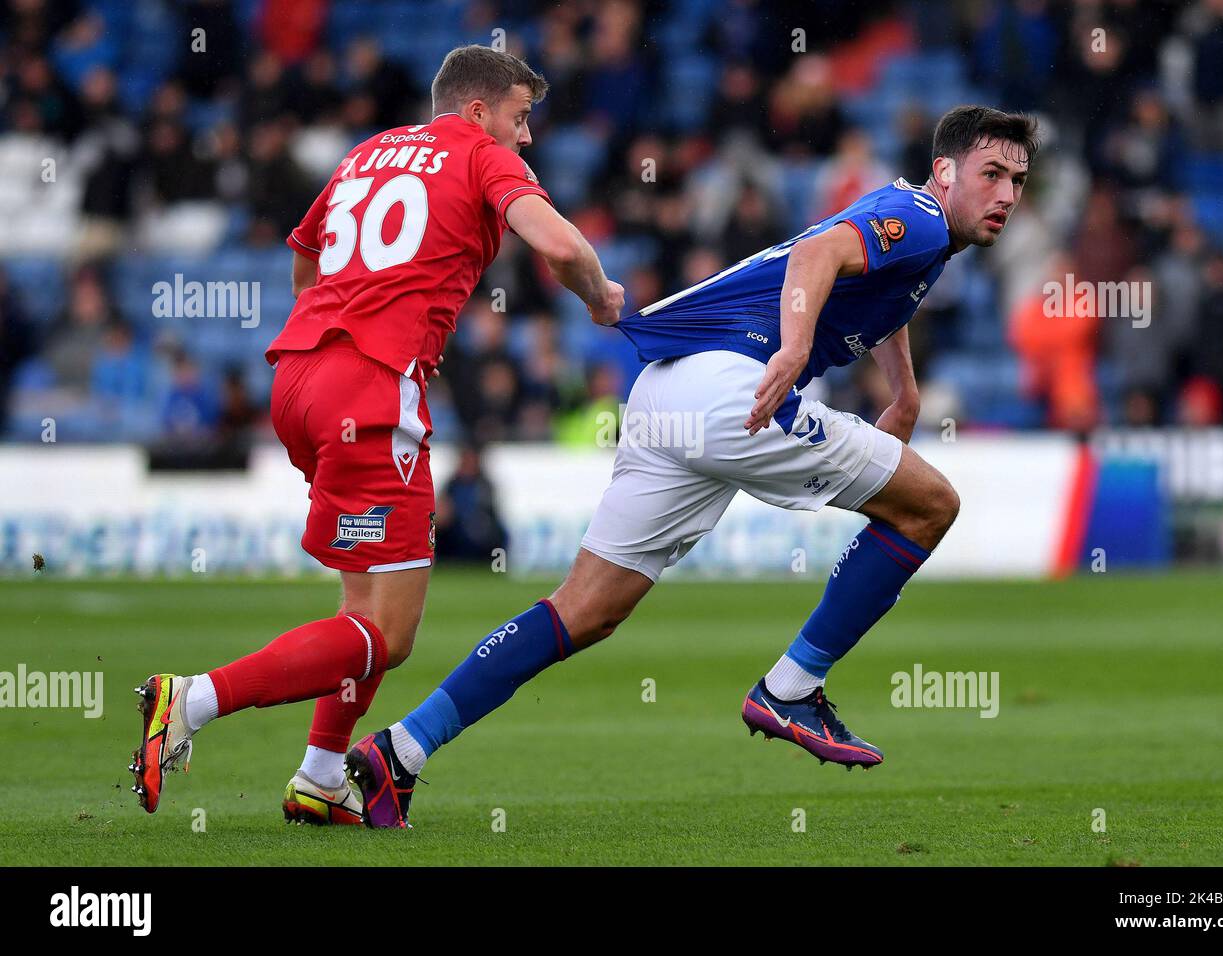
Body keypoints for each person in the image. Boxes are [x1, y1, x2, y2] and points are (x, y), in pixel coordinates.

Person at [346, 106, 1039, 828]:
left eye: (1018, 181)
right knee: (931, 505)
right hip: (732, 386)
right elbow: (818, 258)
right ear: (945, 172)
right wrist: (796, 351)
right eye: (992, 174)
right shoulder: (923, 218)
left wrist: (904, 388)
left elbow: (876, 283)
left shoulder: (916, 229)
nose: (1007, 196)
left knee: (585, 610)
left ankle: (400, 751)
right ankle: (793, 686)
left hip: (665, 392)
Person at [128, 45, 624, 824]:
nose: (526, 138)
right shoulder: (480, 156)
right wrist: (601, 297)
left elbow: (304, 261)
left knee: (361, 605)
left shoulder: (368, 151)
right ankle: (190, 701)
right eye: (520, 118)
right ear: (477, 111)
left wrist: (336, 336)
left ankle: (320, 778)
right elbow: (560, 246)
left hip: (297, 380)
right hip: (370, 391)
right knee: (388, 634)